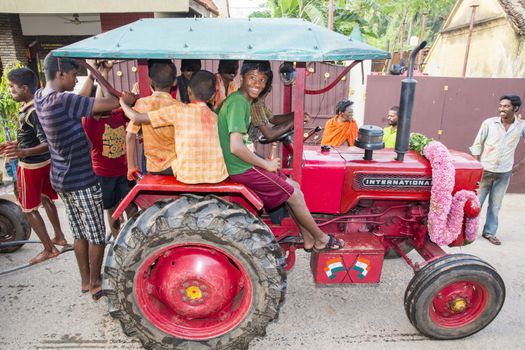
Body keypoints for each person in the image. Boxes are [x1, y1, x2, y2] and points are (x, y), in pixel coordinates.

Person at [34, 52, 133, 300]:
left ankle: (85, 281)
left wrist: (97, 75)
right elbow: (108, 105)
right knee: (97, 235)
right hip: (81, 180)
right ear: (60, 74)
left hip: (62, 178)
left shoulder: (41, 97)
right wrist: (127, 99)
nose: (75, 81)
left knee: (79, 233)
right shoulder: (63, 100)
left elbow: (78, 100)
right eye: (71, 76)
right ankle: (97, 282)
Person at [217, 60, 344, 252]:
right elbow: (236, 147)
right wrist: (265, 164)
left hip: (243, 164)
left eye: (262, 80)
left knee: (295, 187)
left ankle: (308, 238)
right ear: (241, 78)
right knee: (294, 195)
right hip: (241, 167)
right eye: (252, 78)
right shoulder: (238, 103)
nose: (257, 84)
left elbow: (269, 123)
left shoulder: (243, 101)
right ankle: (321, 239)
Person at [1, 67, 68, 264]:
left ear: (25, 88)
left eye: (12, 88)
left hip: (31, 166)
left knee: (28, 209)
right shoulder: (33, 107)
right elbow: (32, 138)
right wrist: (15, 145)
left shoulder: (32, 111)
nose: (10, 92)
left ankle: (49, 248)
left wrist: (22, 152)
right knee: (46, 198)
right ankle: (59, 237)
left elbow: (48, 142)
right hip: (41, 163)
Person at [120, 70, 227, 184]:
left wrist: (123, 102)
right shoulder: (215, 117)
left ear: (189, 90)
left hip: (186, 174)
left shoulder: (178, 110)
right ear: (212, 96)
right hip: (217, 175)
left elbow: (136, 118)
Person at [82, 62, 137, 238]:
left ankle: (135, 237)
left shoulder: (118, 114)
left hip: (123, 172)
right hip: (103, 175)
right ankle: (117, 240)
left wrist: (105, 71)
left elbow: (119, 103)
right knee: (112, 210)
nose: (106, 104)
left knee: (132, 207)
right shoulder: (90, 121)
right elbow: (101, 101)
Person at [470, 95, 525, 245]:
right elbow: (477, 143)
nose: (501, 109)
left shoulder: (521, 126)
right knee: (476, 203)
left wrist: (521, 164)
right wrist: (476, 163)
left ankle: (489, 232)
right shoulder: (489, 123)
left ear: (515, 108)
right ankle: (467, 232)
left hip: (504, 172)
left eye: (506, 106)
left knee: (495, 205)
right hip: (485, 170)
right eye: (500, 106)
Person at [126, 60, 178, 179]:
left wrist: (131, 167)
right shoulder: (178, 107)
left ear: (149, 80)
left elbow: (130, 136)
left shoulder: (142, 104)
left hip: (153, 167)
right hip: (176, 167)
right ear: (175, 82)